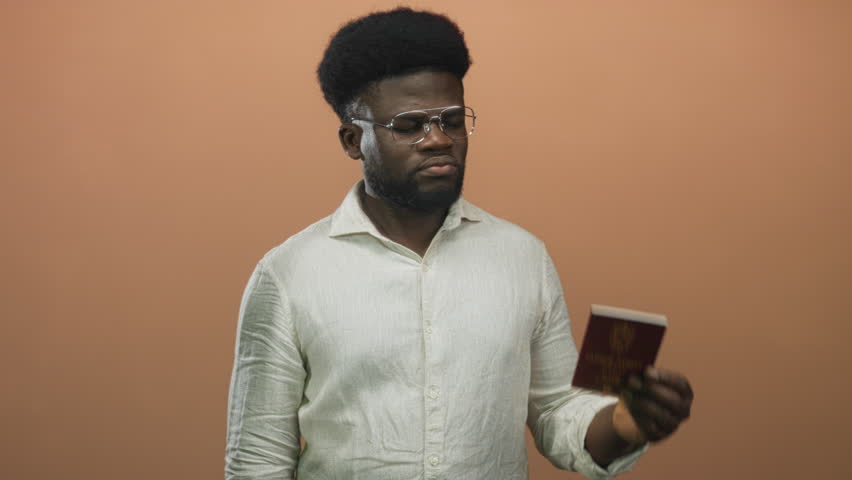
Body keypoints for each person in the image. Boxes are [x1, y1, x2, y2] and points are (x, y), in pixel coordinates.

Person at [225, 7, 693, 480]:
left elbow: (557, 412)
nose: (438, 139)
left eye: (451, 120)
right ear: (352, 140)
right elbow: (257, 462)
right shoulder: (289, 274)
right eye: (409, 125)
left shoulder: (522, 258)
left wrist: (624, 424)